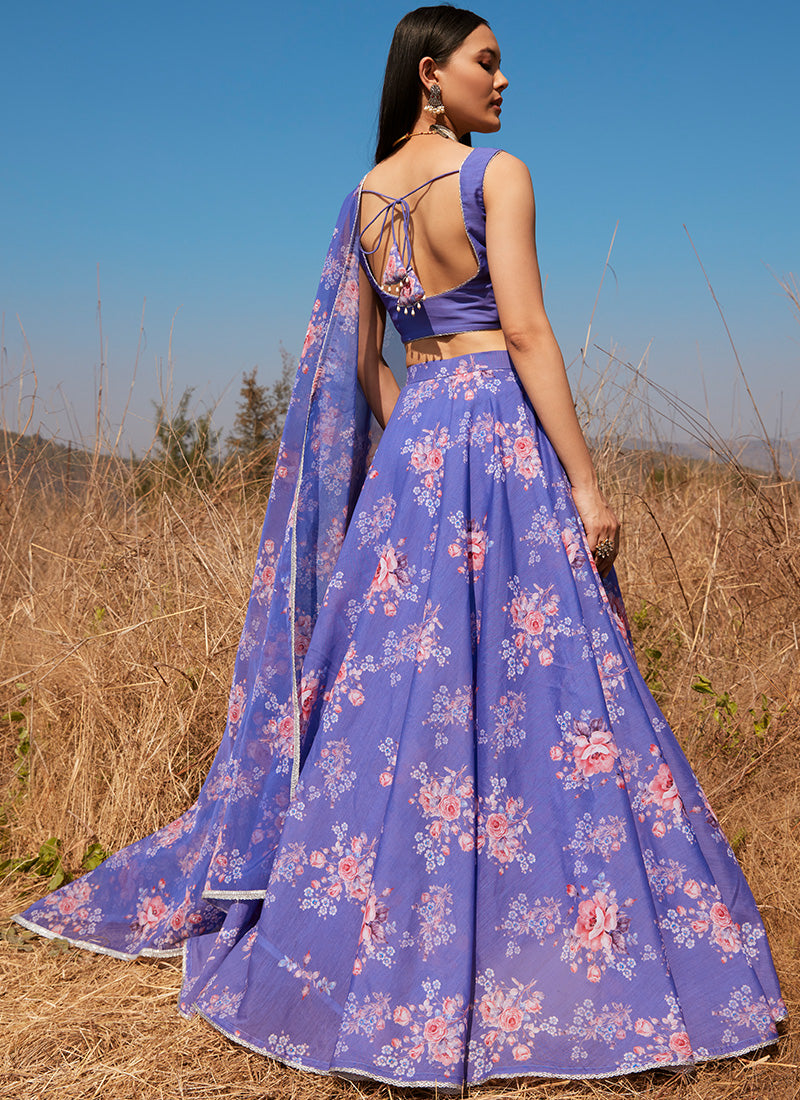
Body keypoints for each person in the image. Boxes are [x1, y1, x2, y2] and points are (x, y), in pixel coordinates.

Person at [14, 4, 785, 1089]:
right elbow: (522, 332)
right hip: (495, 437)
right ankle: (542, 924)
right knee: (541, 682)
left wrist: (409, 438)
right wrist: (583, 476)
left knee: (405, 699)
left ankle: (377, 922)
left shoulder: (363, 198)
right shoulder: (495, 176)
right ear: (432, 76)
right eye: (486, 61)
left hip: (416, 446)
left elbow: (360, 359)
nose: (504, 80)